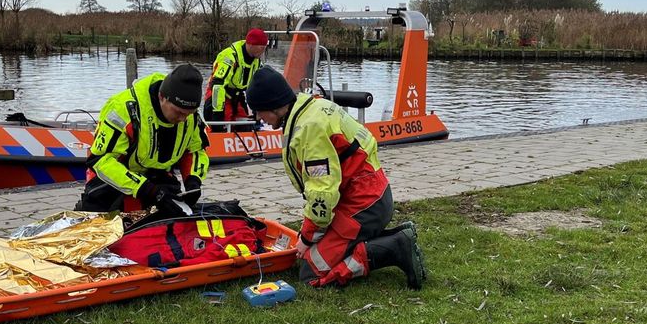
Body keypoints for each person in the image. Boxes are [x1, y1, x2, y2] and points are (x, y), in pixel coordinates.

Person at [245, 66, 426, 289]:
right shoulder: (309, 108)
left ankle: (397, 247)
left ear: (272, 105)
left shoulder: (309, 129)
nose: (258, 117)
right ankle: (396, 237)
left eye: (258, 111)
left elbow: (322, 192)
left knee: (311, 272)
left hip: (363, 205)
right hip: (367, 197)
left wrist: (307, 238)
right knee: (315, 251)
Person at [74, 64, 210, 214]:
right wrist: (147, 189)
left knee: (176, 213)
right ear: (162, 97)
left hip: (157, 177)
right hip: (113, 178)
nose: (183, 119)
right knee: (99, 220)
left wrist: (193, 180)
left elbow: (196, 150)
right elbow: (100, 161)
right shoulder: (122, 109)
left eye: (189, 114)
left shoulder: (191, 117)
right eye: (179, 112)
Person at [203, 28, 268, 128]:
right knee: (223, 123)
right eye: (262, 48)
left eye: (265, 48)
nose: (263, 51)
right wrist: (218, 113)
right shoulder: (230, 57)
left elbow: (258, 87)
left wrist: (258, 110)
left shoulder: (257, 61)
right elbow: (217, 85)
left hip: (237, 96)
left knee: (246, 124)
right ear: (251, 45)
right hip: (218, 95)